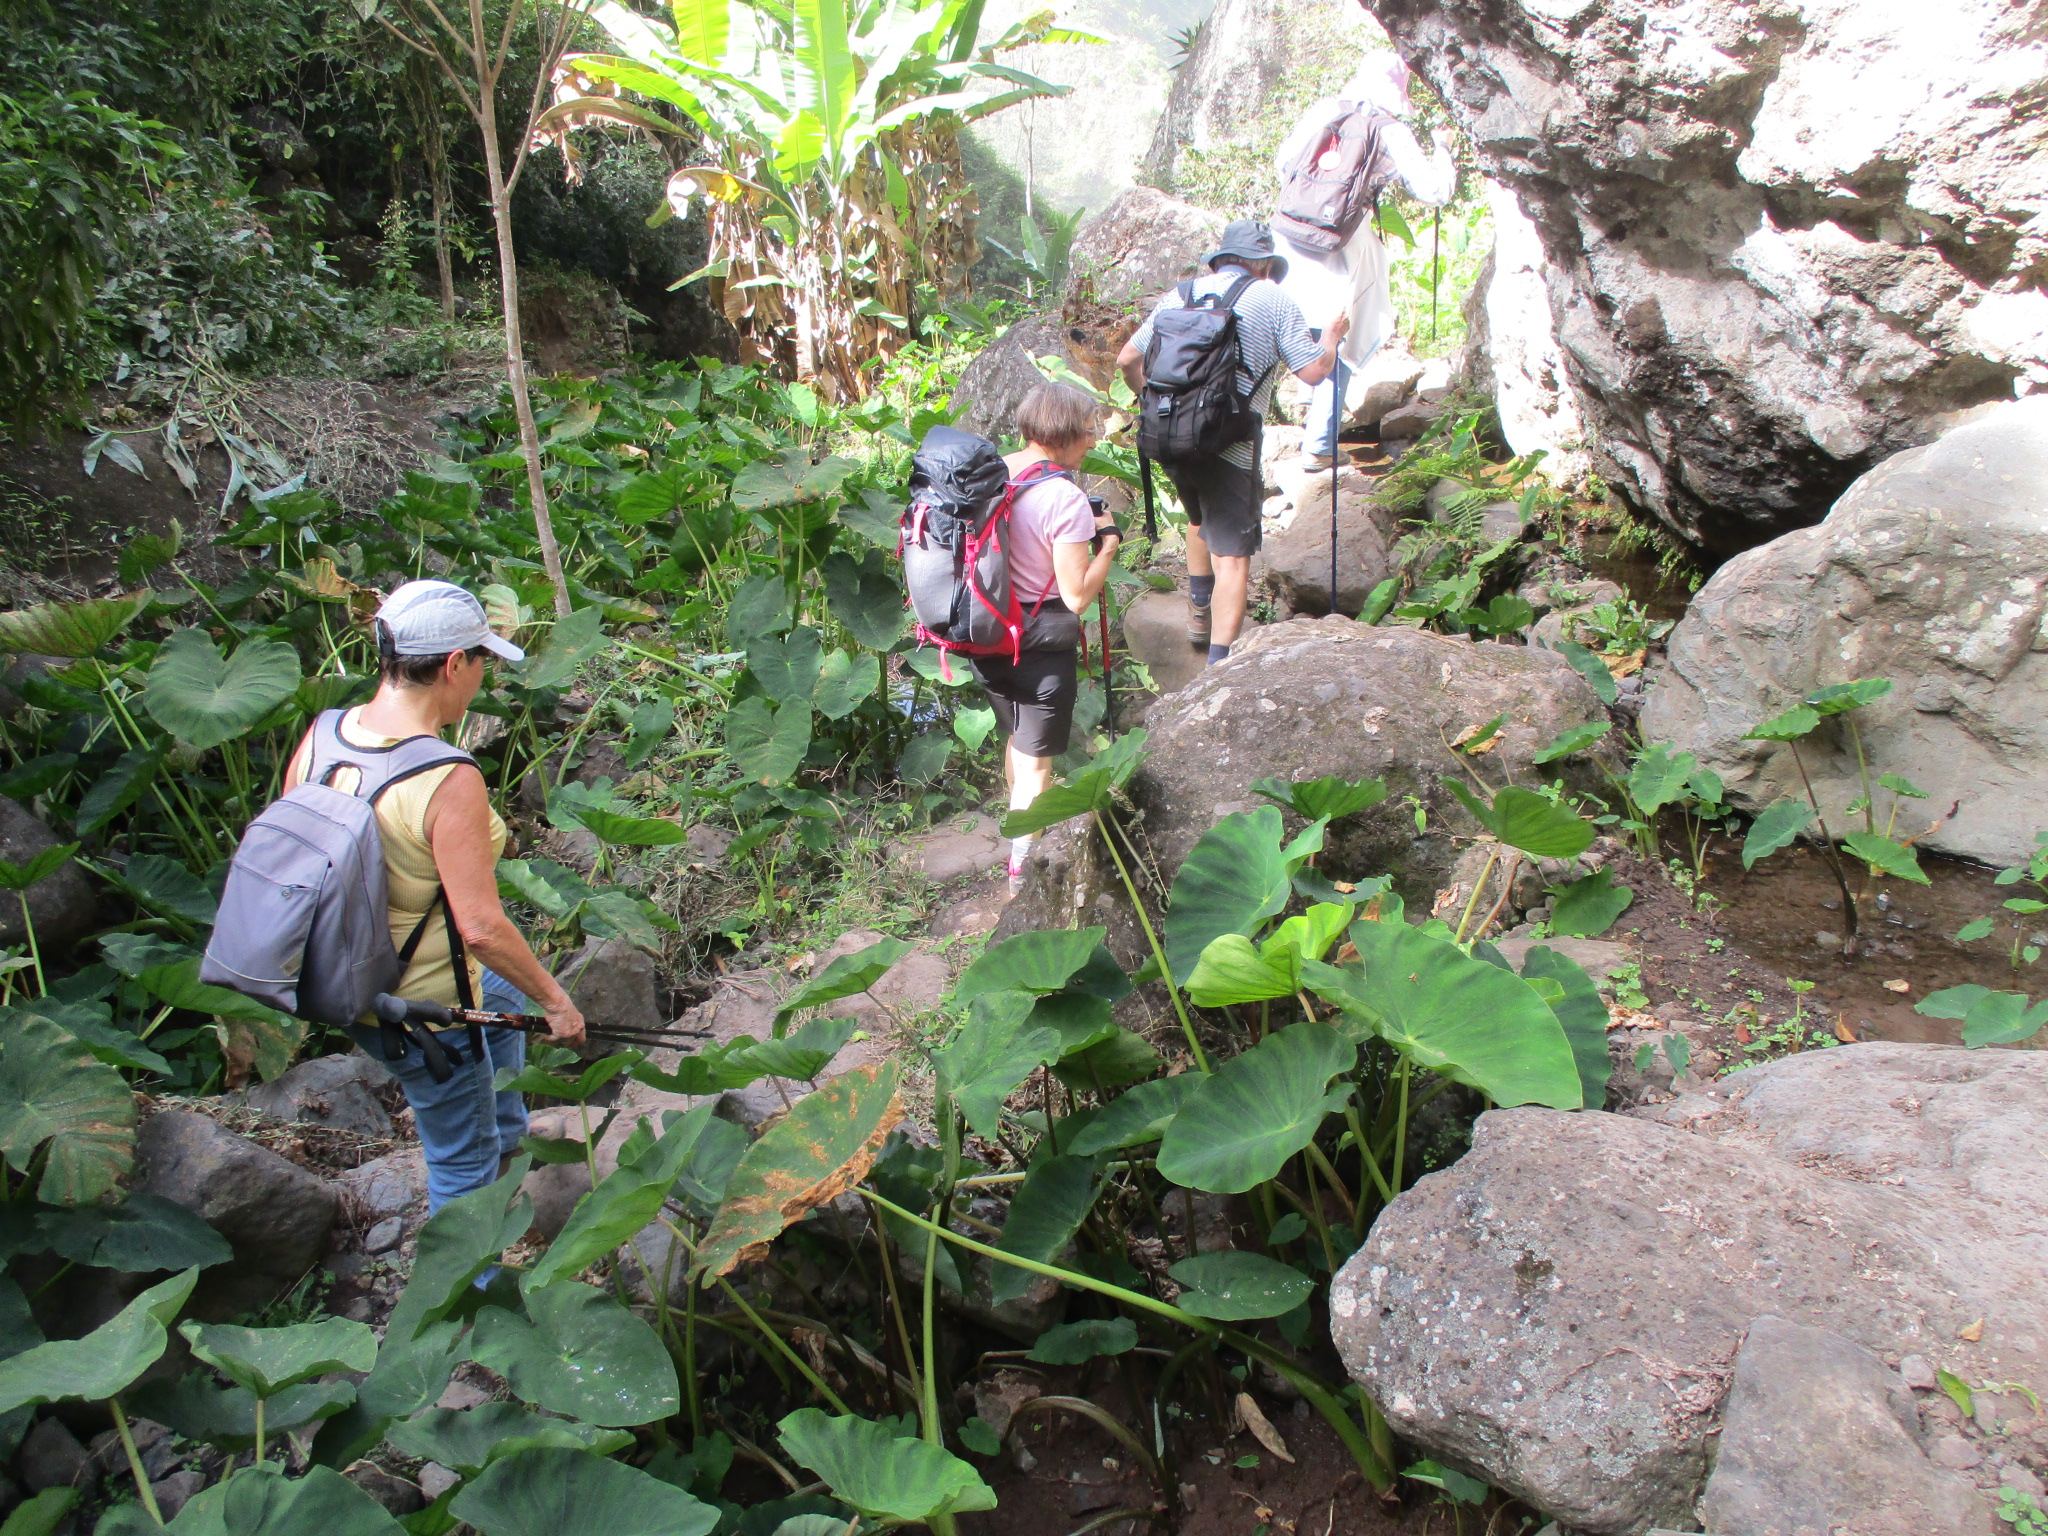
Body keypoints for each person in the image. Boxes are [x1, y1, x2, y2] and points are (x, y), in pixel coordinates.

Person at [280, 579, 586, 1213]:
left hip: (347, 979)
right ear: (454, 664)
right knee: (460, 1163)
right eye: (482, 661)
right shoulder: (446, 776)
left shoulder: (324, 734)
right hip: (425, 1008)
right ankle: (470, 1263)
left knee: (502, 998)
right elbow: (480, 929)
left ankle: (508, 1142)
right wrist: (558, 1004)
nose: (484, 677)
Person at [1116, 221, 1349, 664]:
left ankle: (1198, 610)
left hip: (1170, 436)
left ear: (1220, 260)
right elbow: (1314, 371)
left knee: (1198, 517)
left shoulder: (1179, 296)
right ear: (1264, 265)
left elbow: (1128, 358)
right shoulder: (1273, 299)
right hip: (1230, 445)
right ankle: (1217, 671)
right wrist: (1332, 336)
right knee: (1232, 559)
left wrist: (1151, 402)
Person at [1272, 54, 1456, 470]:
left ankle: (1301, 411)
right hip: (1343, 241)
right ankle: (1319, 446)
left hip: (1289, 234)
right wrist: (1443, 148)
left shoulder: (1325, 109)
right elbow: (1435, 192)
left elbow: (1283, 162)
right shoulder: (1390, 129)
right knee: (1339, 333)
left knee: (1294, 323)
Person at [978, 383, 1124, 894]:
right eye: (1088, 433)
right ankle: (1021, 871)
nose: (1092, 443)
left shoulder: (994, 472)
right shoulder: (1064, 497)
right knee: (1037, 764)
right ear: (1064, 434)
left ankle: (1019, 828)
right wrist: (1108, 545)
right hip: (1038, 646)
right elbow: (1077, 596)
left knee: (1018, 742)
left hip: (985, 634)